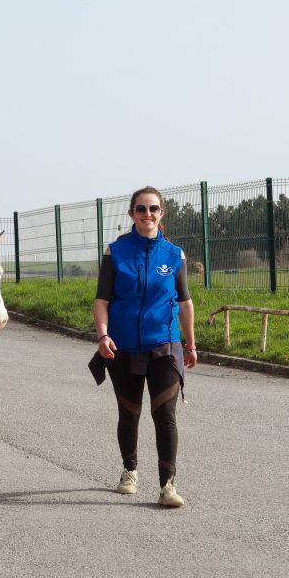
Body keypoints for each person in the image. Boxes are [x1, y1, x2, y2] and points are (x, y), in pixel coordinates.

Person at [91, 186, 196, 508]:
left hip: (164, 346)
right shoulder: (115, 252)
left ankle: (168, 486)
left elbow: (185, 302)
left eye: (153, 209)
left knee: (165, 415)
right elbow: (102, 300)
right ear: (131, 214)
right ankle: (130, 471)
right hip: (122, 347)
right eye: (140, 209)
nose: (147, 214)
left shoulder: (173, 254)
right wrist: (103, 335)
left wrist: (190, 344)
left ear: (161, 213)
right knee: (130, 413)